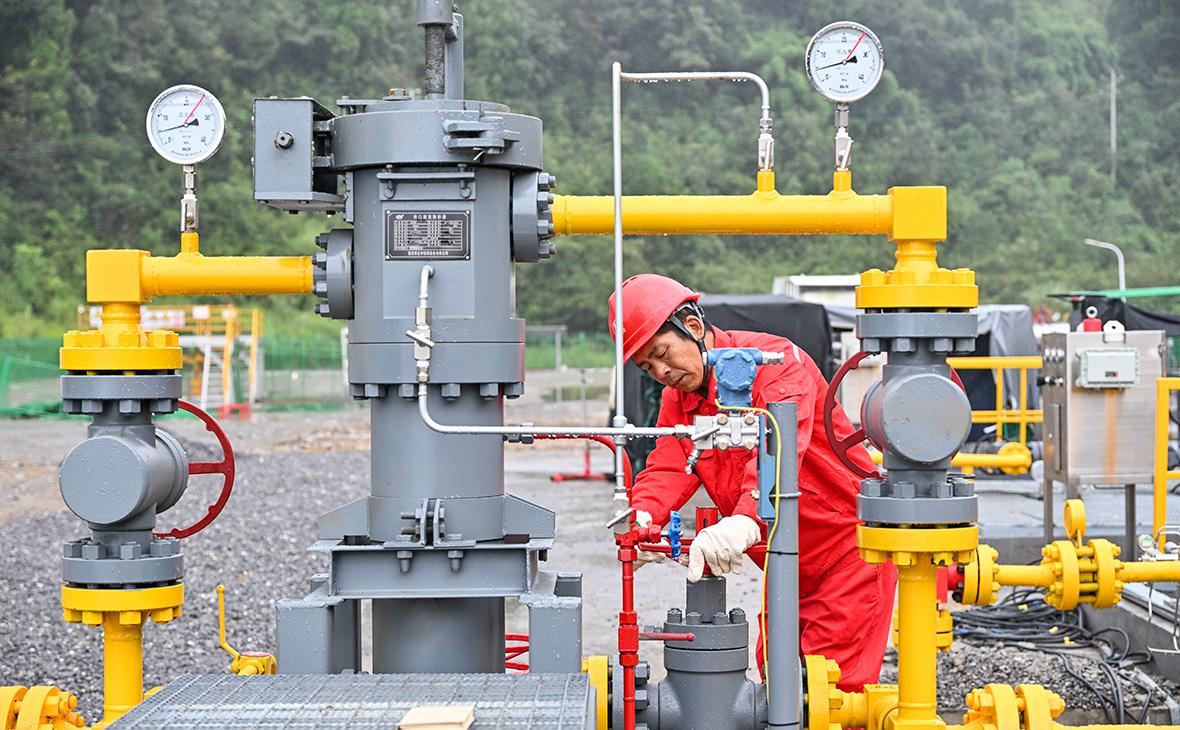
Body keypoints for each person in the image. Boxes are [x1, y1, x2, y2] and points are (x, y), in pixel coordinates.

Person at [608, 273, 896, 691]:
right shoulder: (683, 396)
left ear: (692, 326)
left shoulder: (775, 365)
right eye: (647, 367)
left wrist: (745, 520)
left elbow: (780, 456)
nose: (661, 372)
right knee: (775, 683)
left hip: (847, 554)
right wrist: (642, 513)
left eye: (662, 353)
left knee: (830, 694)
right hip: (784, 562)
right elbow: (671, 464)